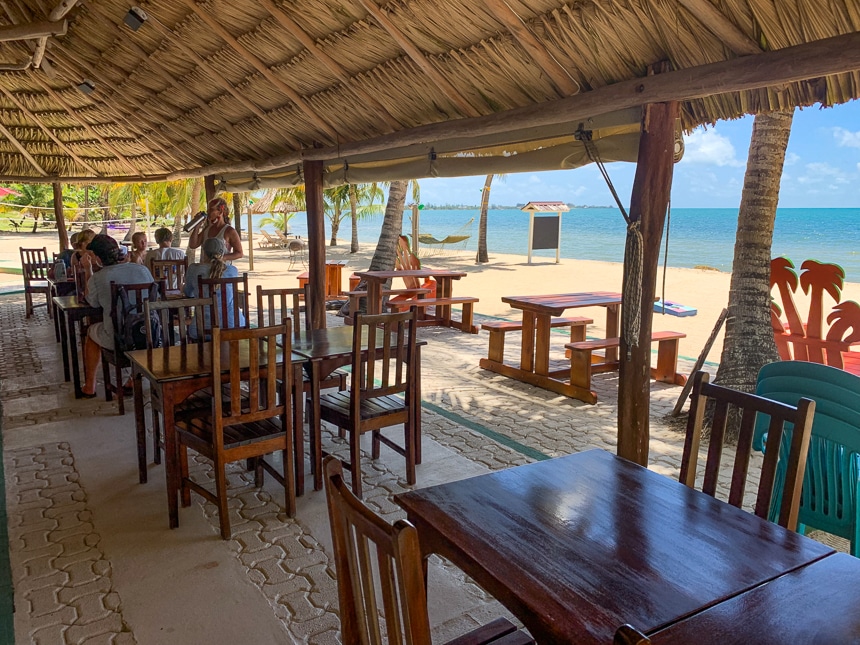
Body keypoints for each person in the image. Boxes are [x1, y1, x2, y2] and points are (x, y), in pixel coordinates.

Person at [80, 235, 154, 398]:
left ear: (98, 258)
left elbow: (91, 302)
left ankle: (90, 386)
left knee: (91, 332)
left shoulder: (99, 277)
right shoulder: (142, 269)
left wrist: (88, 271)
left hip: (119, 339)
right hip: (149, 335)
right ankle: (131, 381)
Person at [184, 237, 246, 339]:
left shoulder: (194, 270)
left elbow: (188, 293)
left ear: (204, 251)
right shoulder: (232, 270)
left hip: (202, 328)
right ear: (223, 252)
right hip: (235, 325)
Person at [188, 197, 243, 262]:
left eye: (211, 209)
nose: (208, 212)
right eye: (208, 210)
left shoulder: (229, 231)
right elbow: (193, 245)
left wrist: (222, 258)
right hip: (206, 269)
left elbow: (239, 253)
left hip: (223, 270)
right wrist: (197, 226)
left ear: (220, 211)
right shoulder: (207, 230)